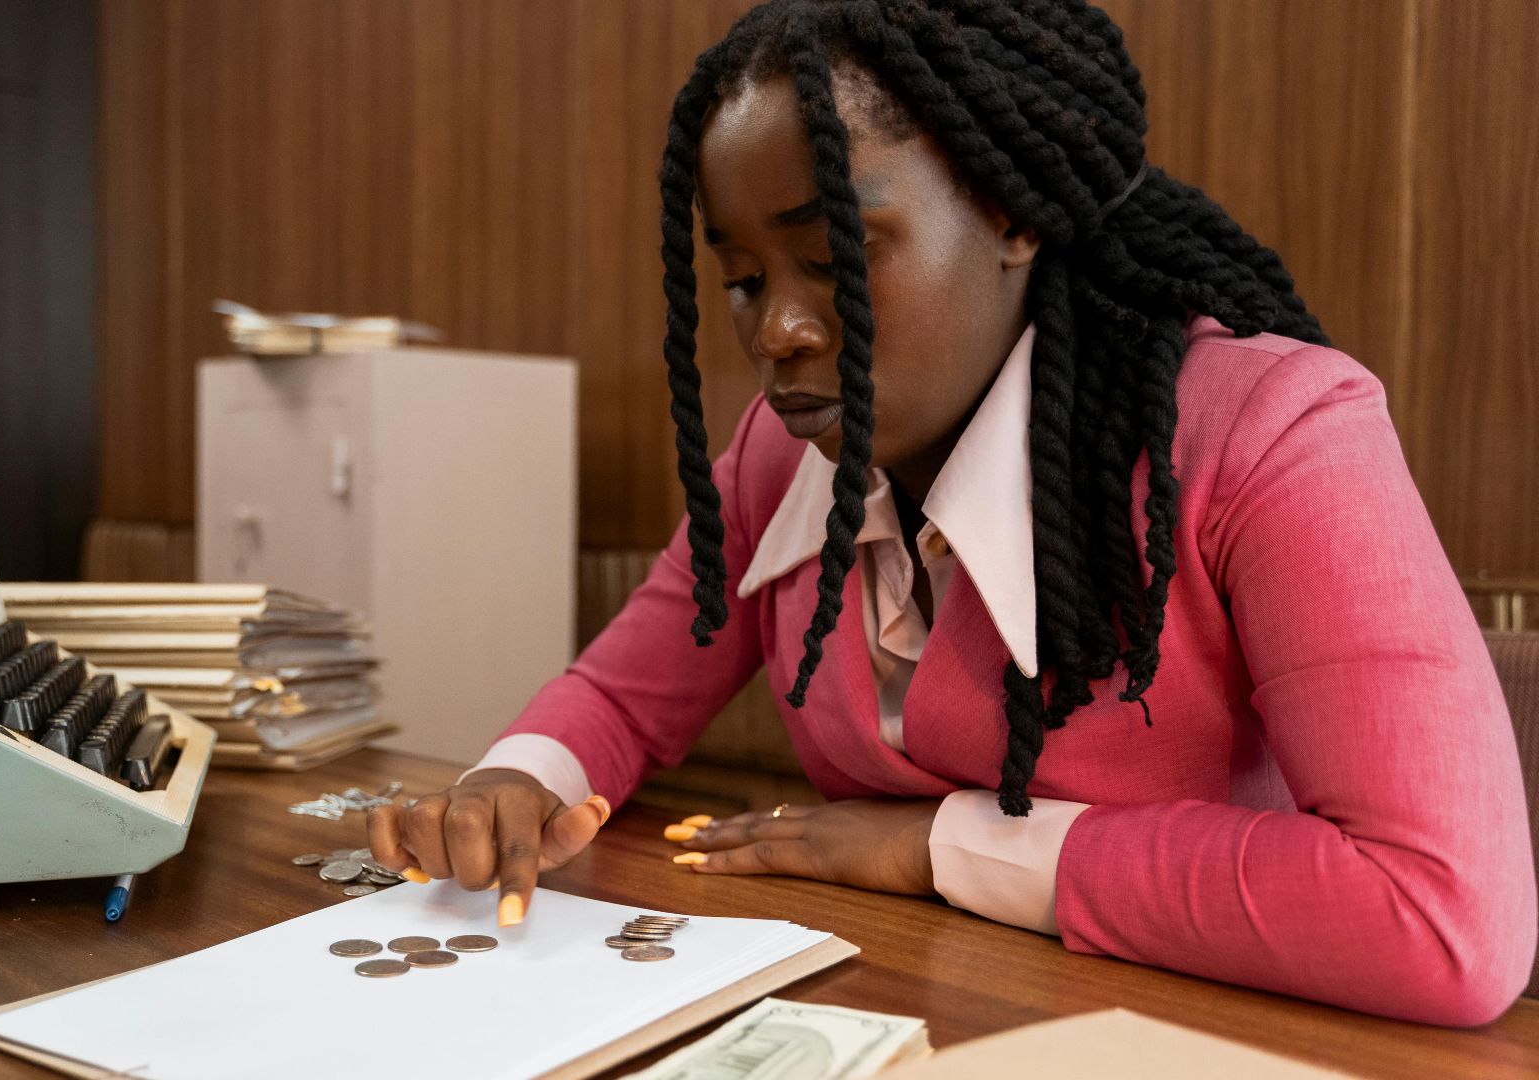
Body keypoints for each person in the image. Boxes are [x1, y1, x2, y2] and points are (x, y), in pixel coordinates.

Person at [367, 0, 1534, 1025]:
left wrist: (944, 849)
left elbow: (1443, 917)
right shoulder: (784, 454)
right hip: (912, 1011)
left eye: (835, 258)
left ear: (1013, 214)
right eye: (742, 279)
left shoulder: (1274, 433)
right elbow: (623, 696)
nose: (776, 330)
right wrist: (513, 782)